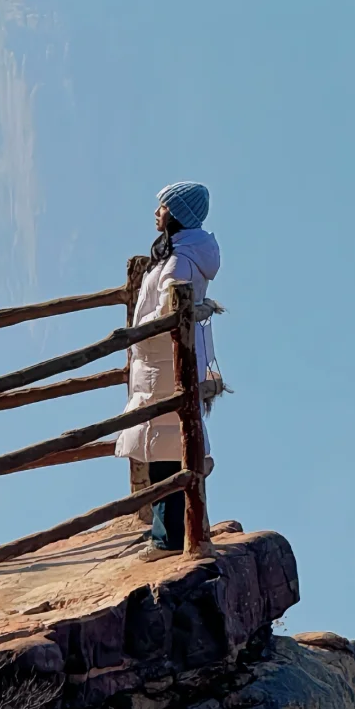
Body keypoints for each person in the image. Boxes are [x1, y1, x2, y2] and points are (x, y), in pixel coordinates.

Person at [115, 182, 221, 560]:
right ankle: (174, 531)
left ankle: (169, 538)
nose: (157, 213)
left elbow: (169, 317)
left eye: (162, 207)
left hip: (164, 367)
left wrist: (137, 339)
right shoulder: (185, 254)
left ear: (175, 213)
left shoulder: (179, 263)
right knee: (170, 447)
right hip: (162, 366)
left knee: (166, 452)